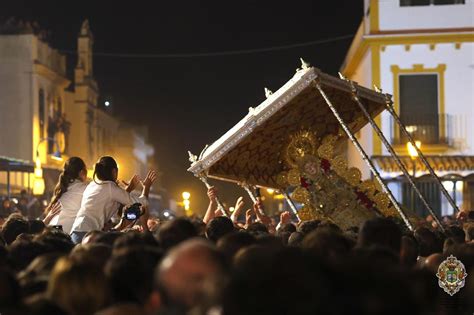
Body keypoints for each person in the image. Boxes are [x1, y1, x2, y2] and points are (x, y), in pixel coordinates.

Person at [70, 156, 157, 243]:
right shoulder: (110, 187)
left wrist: (130, 188)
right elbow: (141, 203)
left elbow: (114, 201)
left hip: (76, 232)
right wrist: (146, 187)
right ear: (114, 171)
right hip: (87, 235)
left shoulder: (92, 185)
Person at [44, 157, 88, 234]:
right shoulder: (85, 188)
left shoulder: (63, 187)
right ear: (81, 172)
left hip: (51, 230)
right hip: (65, 235)